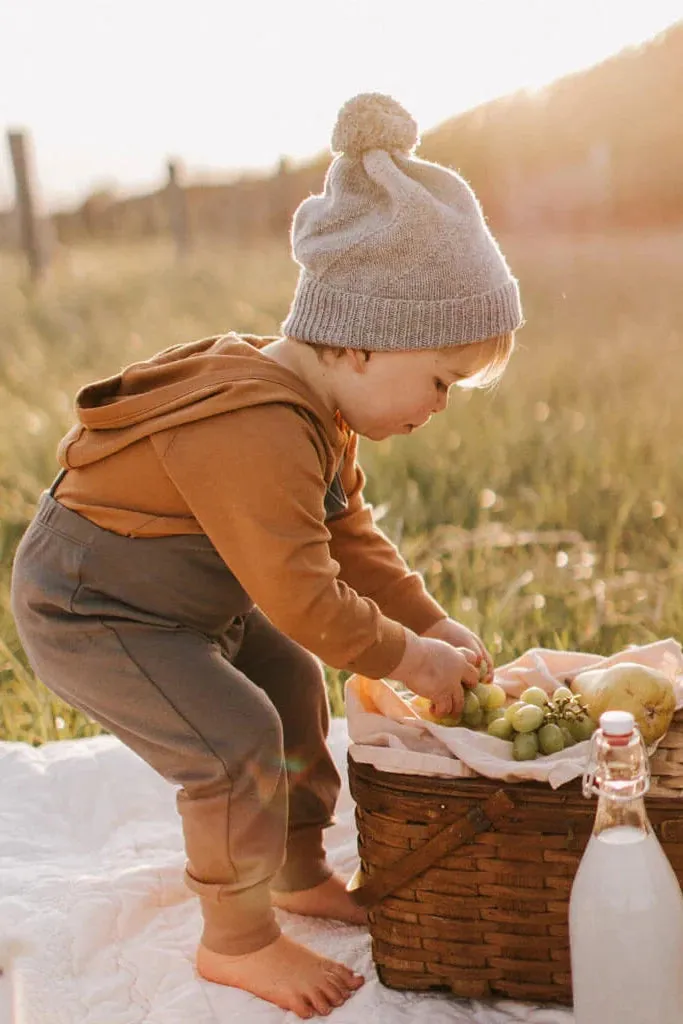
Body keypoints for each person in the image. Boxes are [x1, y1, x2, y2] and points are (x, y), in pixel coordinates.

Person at [10, 92, 522, 1020]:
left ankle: (293, 870)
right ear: (369, 342)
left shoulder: (316, 412)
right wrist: (411, 662)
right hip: (93, 611)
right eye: (441, 379)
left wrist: (427, 621)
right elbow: (302, 595)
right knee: (233, 741)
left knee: (289, 686)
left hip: (185, 603)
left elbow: (346, 538)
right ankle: (235, 941)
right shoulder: (255, 422)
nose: (440, 404)